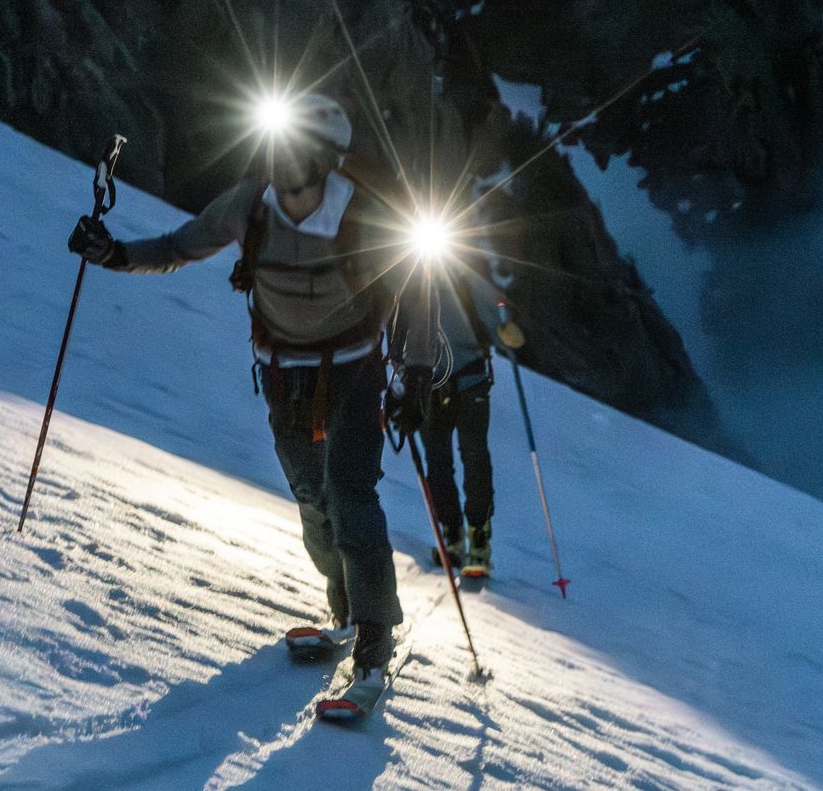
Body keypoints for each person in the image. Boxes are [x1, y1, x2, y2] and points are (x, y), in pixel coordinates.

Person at [65, 92, 437, 696]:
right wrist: (114, 255)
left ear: (326, 160)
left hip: (353, 369)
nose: (283, 162)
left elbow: (418, 286)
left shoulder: (363, 213)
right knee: (313, 497)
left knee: (349, 488)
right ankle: (346, 608)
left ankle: (374, 630)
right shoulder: (249, 205)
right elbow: (181, 246)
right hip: (283, 373)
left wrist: (415, 374)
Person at [419, 273, 522, 578]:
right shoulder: (412, 277)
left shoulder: (464, 278)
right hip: (432, 381)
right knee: (441, 459)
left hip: (467, 380)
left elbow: (496, 316)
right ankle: (452, 533)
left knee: (470, 454)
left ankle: (475, 536)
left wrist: (505, 330)